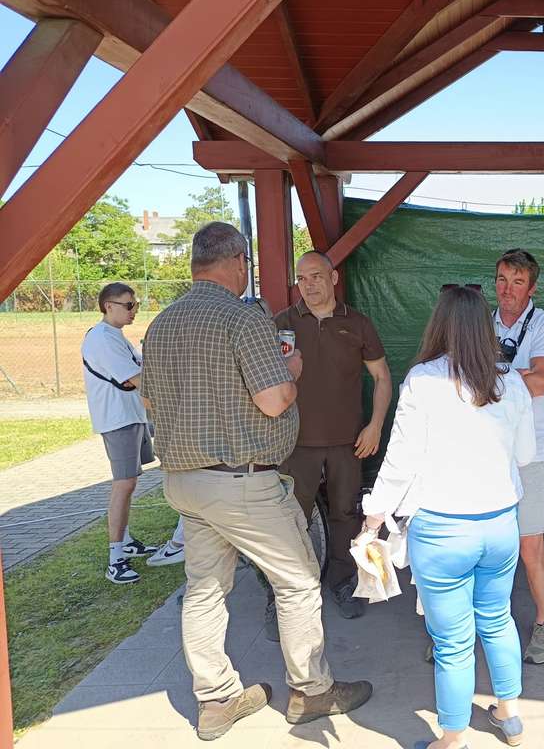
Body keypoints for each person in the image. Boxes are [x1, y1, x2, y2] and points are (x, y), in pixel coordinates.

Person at [141, 222, 371, 741]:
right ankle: (311, 691)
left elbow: (150, 400)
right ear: (237, 263)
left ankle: (216, 699)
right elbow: (273, 400)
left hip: (184, 482)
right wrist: (293, 370)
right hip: (241, 483)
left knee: (204, 590)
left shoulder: (162, 323)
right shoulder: (243, 318)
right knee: (298, 581)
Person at [358, 285, 535, 749]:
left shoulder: (423, 379)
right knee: (498, 618)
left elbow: (400, 461)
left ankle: (452, 739)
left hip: (441, 530)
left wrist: (373, 518)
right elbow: (525, 455)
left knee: (453, 642)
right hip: (500, 523)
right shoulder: (510, 380)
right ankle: (509, 716)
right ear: (485, 327)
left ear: (439, 324)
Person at [272, 251, 391, 621]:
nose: (308, 285)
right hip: (295, 442)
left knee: (346, 515)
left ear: (333, 277)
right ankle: (285, 596)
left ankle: (342, 582)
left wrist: (375, 425)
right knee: (291, 519)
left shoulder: (357, 323)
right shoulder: (282, 323)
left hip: (347, 441)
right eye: (302, 278)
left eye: (316, 276)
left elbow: (382, 377)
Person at [81, 282, 184, 584]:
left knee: (130, 482)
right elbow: (138, 378)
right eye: (129, 305)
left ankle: (124, 541)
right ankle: (116, 558)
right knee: (123, 484)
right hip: (118, 420)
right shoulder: (102, 338)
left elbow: (141, 374)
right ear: (108, 306)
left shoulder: (116, 337)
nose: (134, 310)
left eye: (135, 304)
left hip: (132, 416)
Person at [492, 248, 544, 664]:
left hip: (529, 453)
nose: (508, 289)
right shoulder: (482, 322)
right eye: (502, 280)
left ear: (531, 287)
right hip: (485, 451)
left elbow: (540, 382)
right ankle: (464, 626)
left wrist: (489, 372)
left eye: (518, 282)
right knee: (481, 542)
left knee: (529, 544)